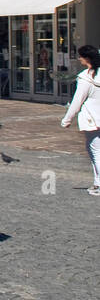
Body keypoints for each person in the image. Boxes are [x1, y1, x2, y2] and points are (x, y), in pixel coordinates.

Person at [61, 45, 100, 196]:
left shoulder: (85, 78)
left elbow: (77, 101)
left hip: (92, 119)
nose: (79, 59)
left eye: (81, 56)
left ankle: (99, 183)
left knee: (95, 152)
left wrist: (67, 119)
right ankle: (97, 182)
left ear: (87, 58)